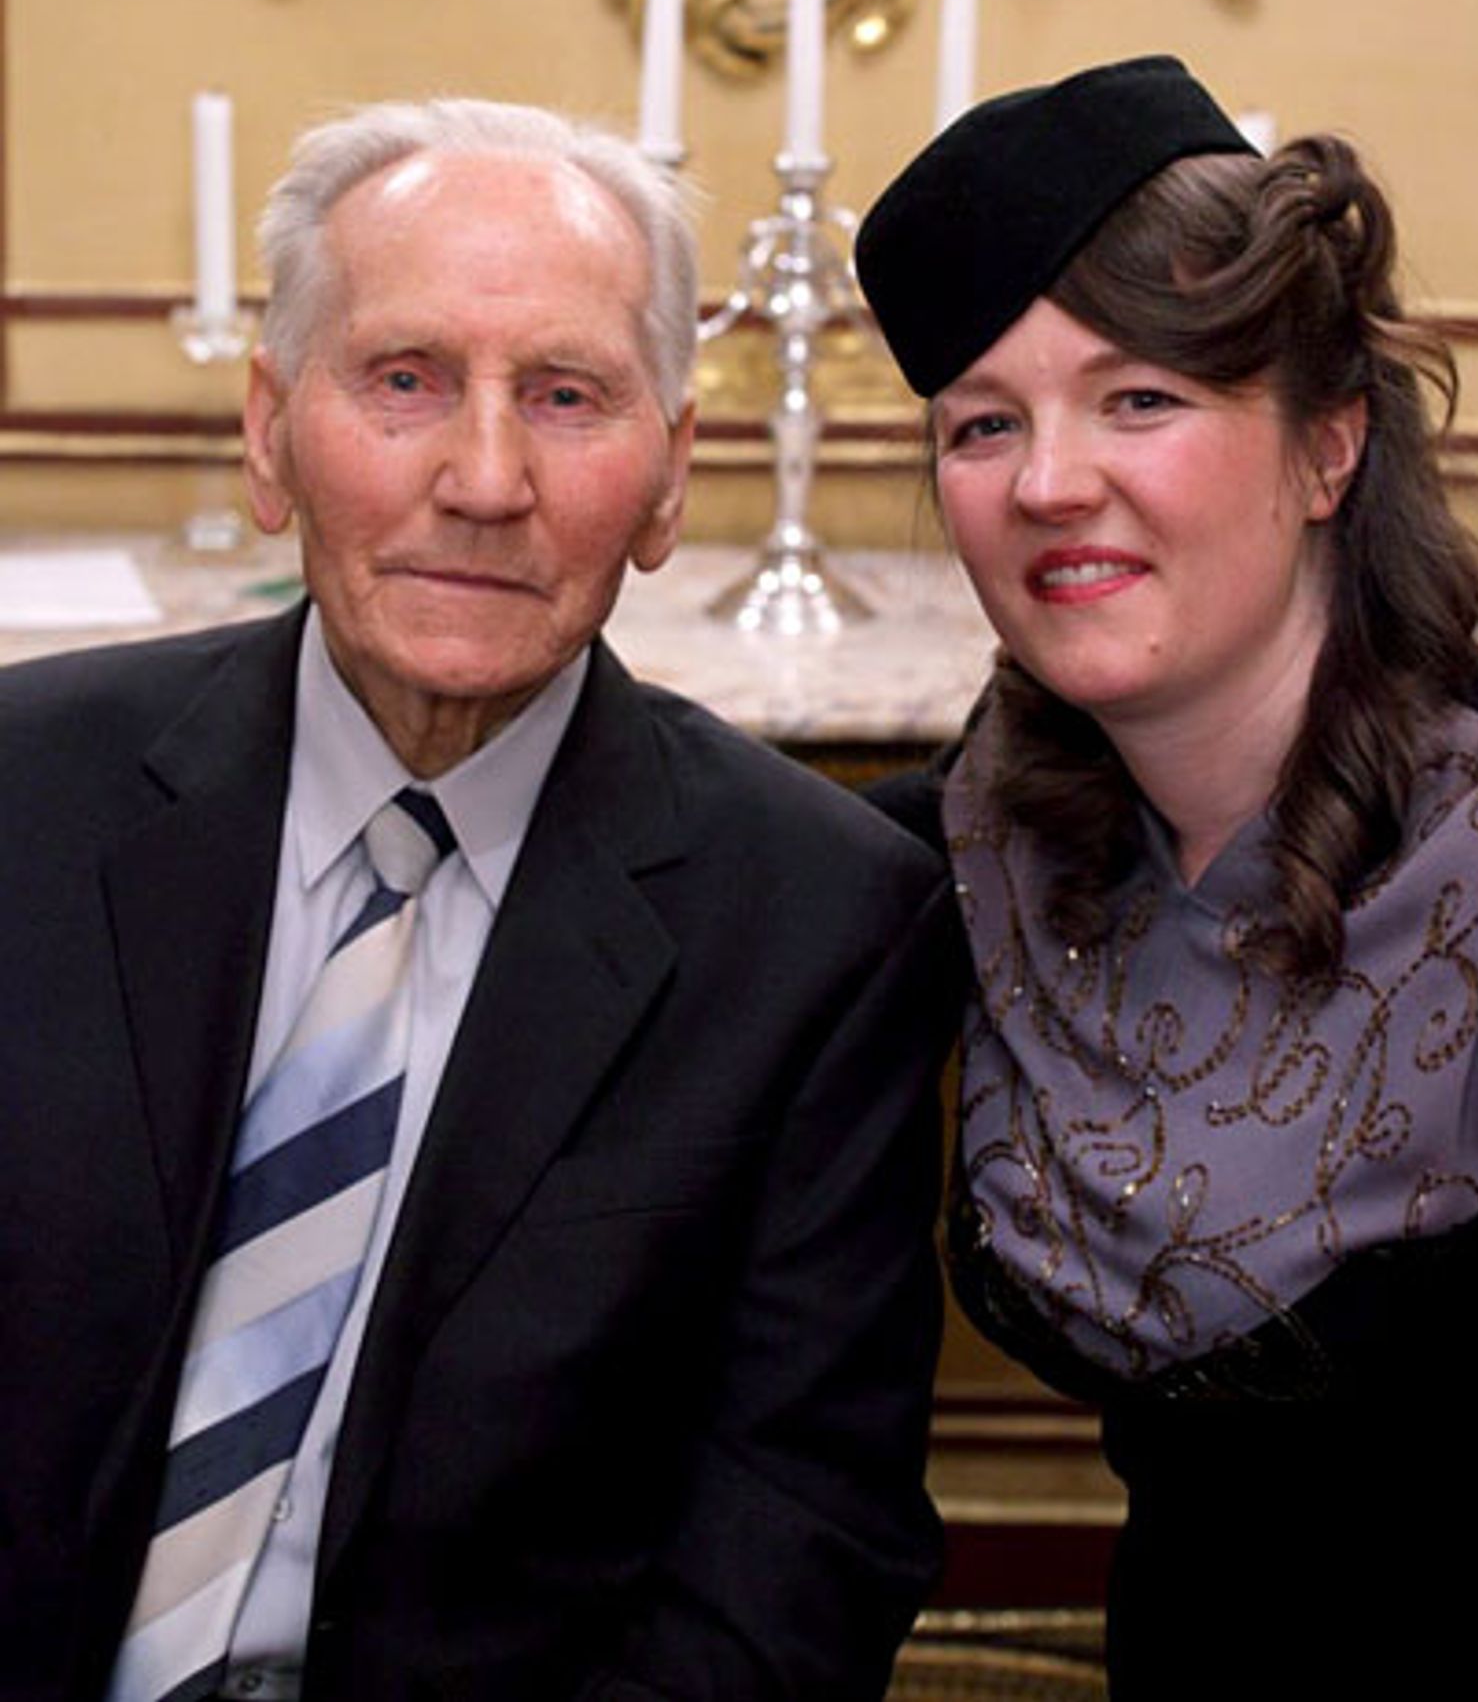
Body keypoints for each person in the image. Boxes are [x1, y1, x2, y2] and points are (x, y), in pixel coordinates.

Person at [0, 99, 959, 1702]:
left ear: (669, 479)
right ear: (268, 432)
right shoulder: (25, 802)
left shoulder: (816, 927)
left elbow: (794, 1550)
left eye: (566, 396)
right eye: (405, 379)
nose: (486, 477)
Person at [853, 56, 1478, 1699]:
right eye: (983, 422)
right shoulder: (953, 860)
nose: (1047, 481)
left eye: (1138, 398)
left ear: (1327, 448)